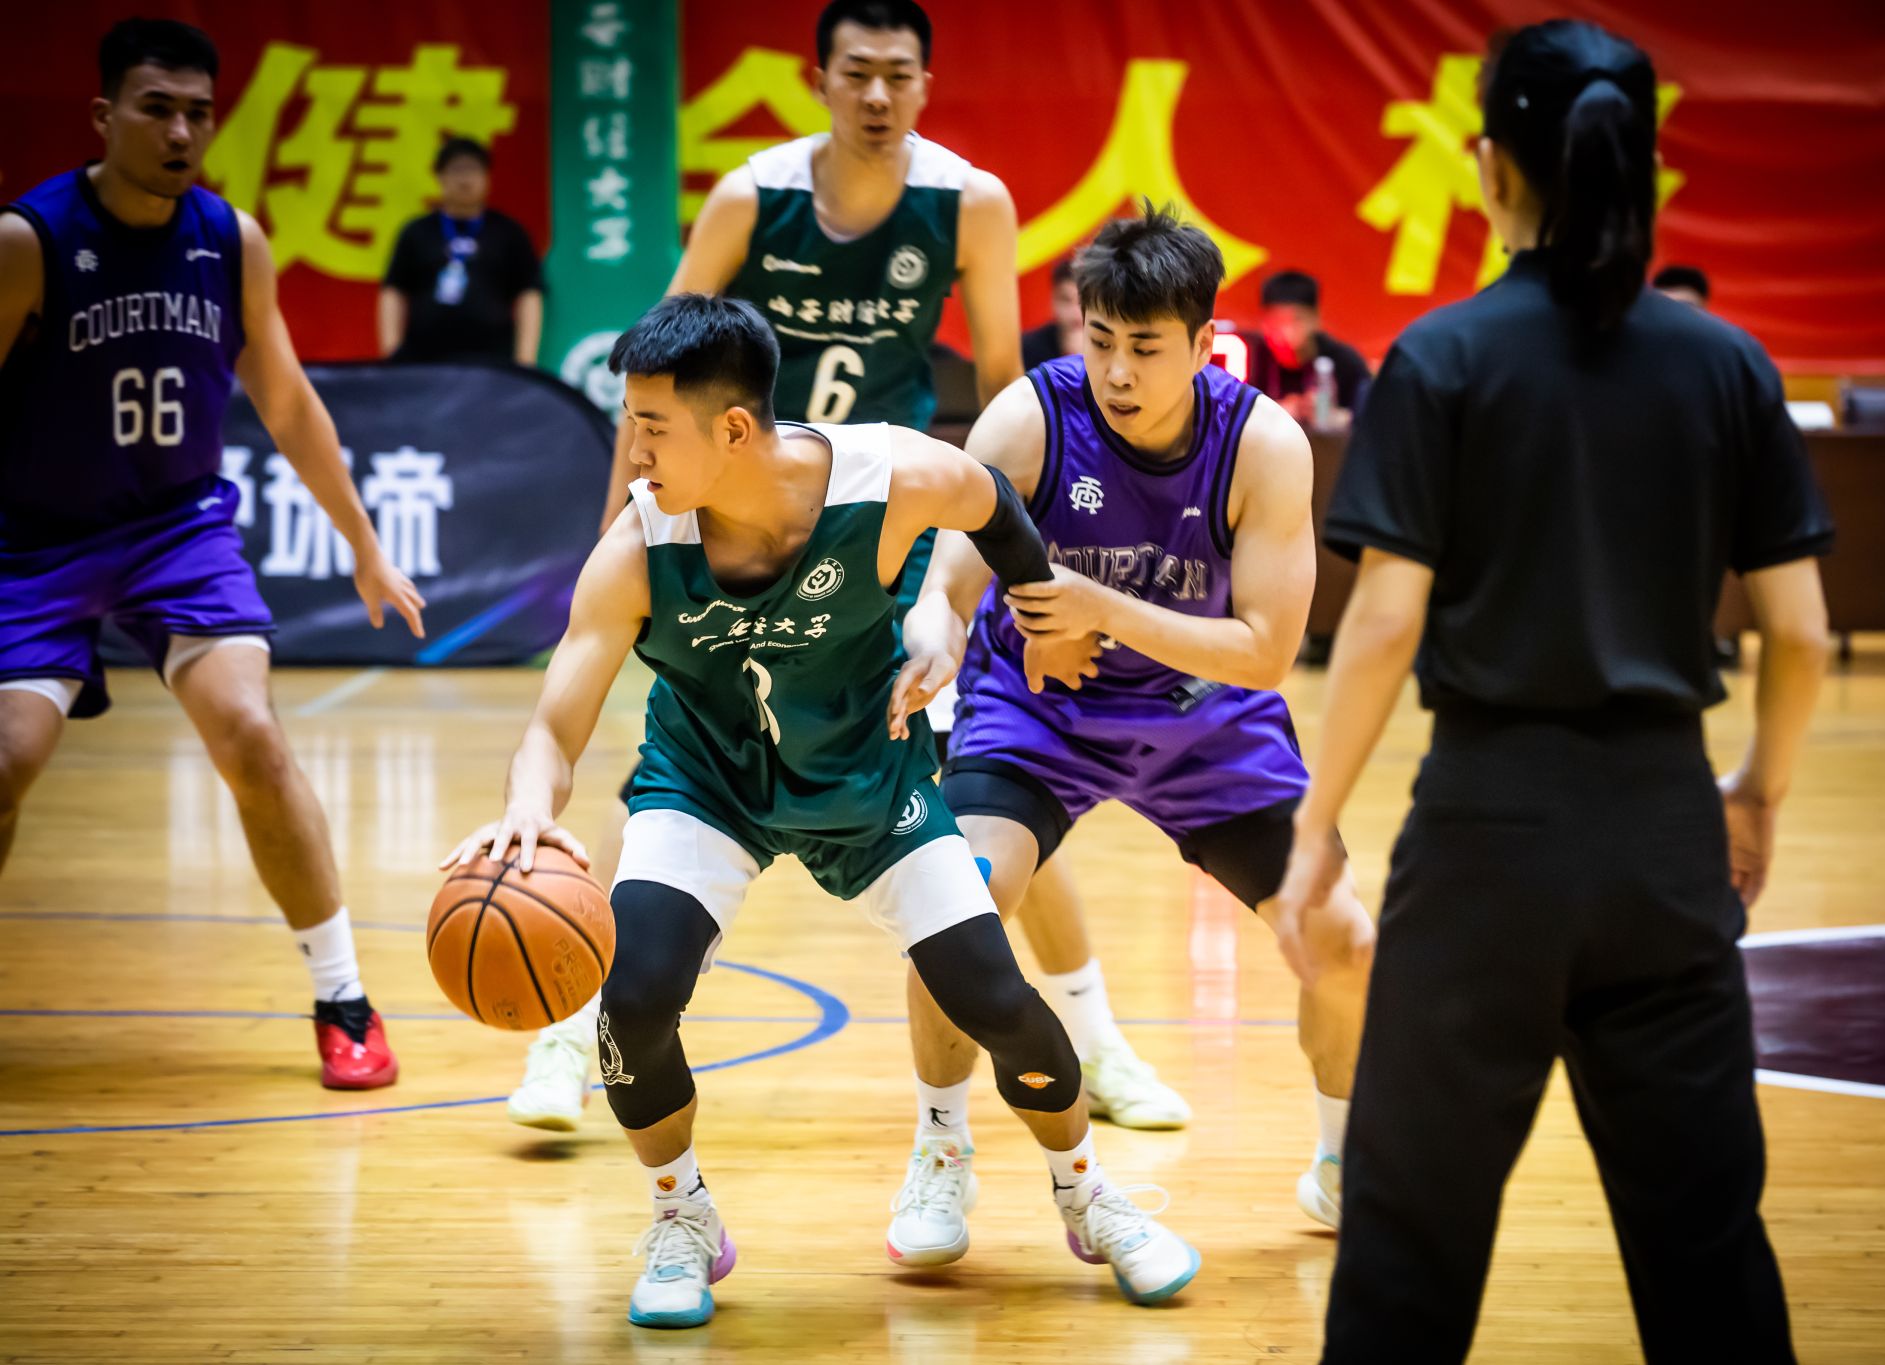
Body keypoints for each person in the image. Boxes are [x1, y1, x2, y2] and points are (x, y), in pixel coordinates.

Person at [441, 293, 1199, 1328]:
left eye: (652, 428)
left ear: (733, 428)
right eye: (631, 424)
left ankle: (1087, 1194)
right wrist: (528, 810)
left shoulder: (886, 476)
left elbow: (990, 502)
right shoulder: (636, 546)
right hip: (705, 784)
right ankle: (680, 1214)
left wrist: (1038, 615)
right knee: (633, 1001)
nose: (633, 453)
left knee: (993, 998)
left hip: (870, 775)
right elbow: (551, 727)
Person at [513, 0, 1185, 1139]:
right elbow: (658, 384)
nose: (879, 95)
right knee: (681, 762)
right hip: (740, 512)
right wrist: (619, 530)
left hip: (887, 521)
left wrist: (995, 570)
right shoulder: (752, 197)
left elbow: (1002, 391)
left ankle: (1093, 1037)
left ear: (926, 82)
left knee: (987, 782)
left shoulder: (968, 202)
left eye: (900, 75)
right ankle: (576, 1030)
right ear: (817, 78)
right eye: (858, 73)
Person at [1272, 21, 1829, 1363]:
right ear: (1642, 161)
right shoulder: (1727, 365)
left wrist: (1316, 824)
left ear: (1488, 167)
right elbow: (1801, 634)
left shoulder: (1442, 357)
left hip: (1487, 841)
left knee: (1407, 1251)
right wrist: (1755, 792)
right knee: (1706, 1252)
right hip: (1665, 837)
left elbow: (1384, 623)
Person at [883, 204, 1375, 1267]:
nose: (1115, 370)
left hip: (1207, 720)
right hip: (1038, 713)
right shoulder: (1029, 418)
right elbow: (950, 581)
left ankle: (1343, 1162)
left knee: (1343, 941)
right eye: (1098, 338)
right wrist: (931, 635)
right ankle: (939, 1147)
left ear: (1203, 344)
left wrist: (1101, 611)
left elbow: (1265, 652)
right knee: (953, 905)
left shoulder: (1263, 446)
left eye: (1145, 347)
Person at [0, 19, 426, 1089]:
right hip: (36, 540)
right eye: (157, 108)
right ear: (105, 116)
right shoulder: (29, 240)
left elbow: (287, 400)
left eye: (198, 111)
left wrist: (365, 546)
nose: (182, 131)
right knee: (7, 759)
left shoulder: (231, 239)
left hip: (176, 531)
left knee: (252, 733)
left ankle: (343, 996)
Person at [378, 137, 543, 365]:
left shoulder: (509, 232)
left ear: (487, 176)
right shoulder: (416, 232)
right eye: (457, 170)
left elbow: (529, 295)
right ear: (440, 176)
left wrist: (525, 360)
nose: (465, 179)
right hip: (423, 360)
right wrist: (392, 352)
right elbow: (394, 291)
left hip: (493, 362)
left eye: (473, 170)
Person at [1246, 270, 1371, 425]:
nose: (1285, 332)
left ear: (1315, 318)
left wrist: (1339, 418)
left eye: (1296, 320)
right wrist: (1272, 412)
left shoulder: (1345, 362)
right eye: (1276, 320)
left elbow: (1374, 419)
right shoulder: (1250, 360)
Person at [1020, 257, 1083, 369]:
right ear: (1052, 301)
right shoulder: (1029, 348)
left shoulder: (1110, 346)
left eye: (1083, 302)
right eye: (1066, 300)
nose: (1076, 312)